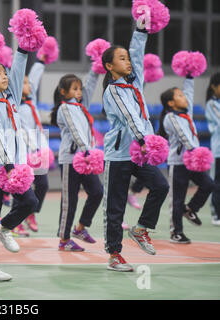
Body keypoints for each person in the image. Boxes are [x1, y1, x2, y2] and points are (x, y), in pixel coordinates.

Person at [101, 20, 169, 272]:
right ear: (109, 66)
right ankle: (114, 255)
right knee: (115, 206)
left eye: (127, 58)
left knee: (161, 186)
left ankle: (140, 229)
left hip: (139, 154)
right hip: (120, 154)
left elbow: (138, 56)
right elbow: (130, 116)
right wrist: (144, 141)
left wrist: (140, 31)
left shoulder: (134, 84)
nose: (128, 62)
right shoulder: (114, 90)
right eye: (121, 59)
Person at [0, 48, 39, 281]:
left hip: (13, 167)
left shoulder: (10, 99)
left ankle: (6, 228)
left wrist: (22, 49)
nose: (5, 76)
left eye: (5, 73)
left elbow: (19, 68)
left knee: (31, 202)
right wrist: (10, 166)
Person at [50, 69, 103, 252]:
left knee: (97, 192)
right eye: (74, 89)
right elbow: (75, 130)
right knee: (69, 201)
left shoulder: (81, 108)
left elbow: (90, 87)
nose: (79, 92)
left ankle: (80, 228)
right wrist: (87, 150)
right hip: (71, 160)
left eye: (80, 89)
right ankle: (64, 240)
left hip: (85, 158)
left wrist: (95, 69)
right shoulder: (65, 108)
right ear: (64, 92)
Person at [158, 78, 215, 243]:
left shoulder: (185, 115)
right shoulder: (170, 117)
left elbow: (189, 94)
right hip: (178, 163)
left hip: (193, 161)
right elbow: (182, 134)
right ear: (171, 102)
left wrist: (189, 77)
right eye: (180, 96)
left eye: (183, 95)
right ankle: (176, 232)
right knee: (177, 199)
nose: (184, 98)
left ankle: (190, 209)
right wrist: (193, 150)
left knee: (209, 184)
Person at [11, 57, 50, 236]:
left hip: (37, 151)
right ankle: (16, 221)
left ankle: (31, 214)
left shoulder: (31, 101)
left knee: (43, 185)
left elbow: (34, 78)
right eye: (25, 83)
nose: (29, 85)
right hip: (23, 153)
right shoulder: (15, 106)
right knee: (22, 187)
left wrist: (41, 61)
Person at [205, 72, 220, 226]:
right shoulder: (212, 104)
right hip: (218, 151)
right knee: (216, 182)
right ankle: (216, 213)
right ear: (214, 87)